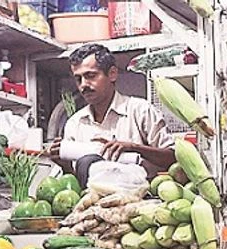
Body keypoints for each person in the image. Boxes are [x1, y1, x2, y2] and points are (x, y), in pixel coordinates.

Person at [49, 43, 176, 177]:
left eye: (90, 76)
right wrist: (65, 165)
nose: (83, 85)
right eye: (78, 79)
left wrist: (134, 148)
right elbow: (75, 179)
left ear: (112, 74)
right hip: (93, 196)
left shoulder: (140, 111)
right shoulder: (75, 123)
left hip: (141, 194)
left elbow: (172, 157)